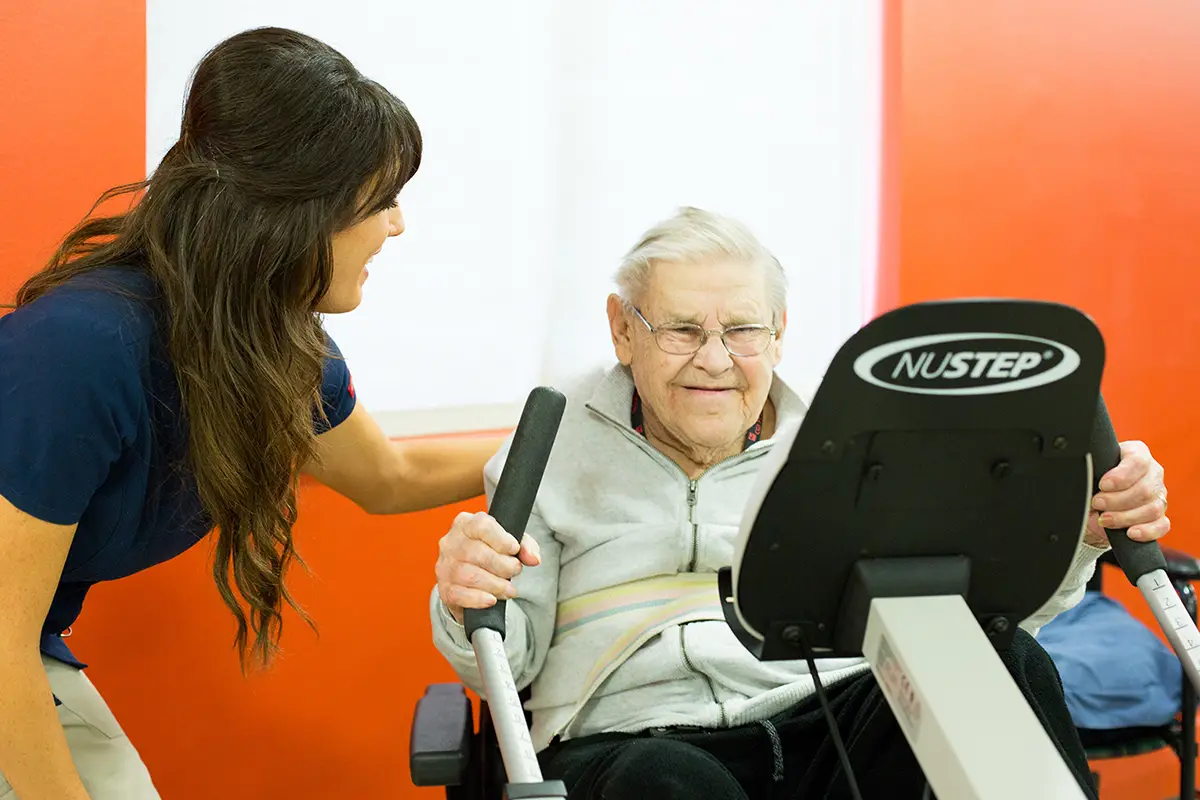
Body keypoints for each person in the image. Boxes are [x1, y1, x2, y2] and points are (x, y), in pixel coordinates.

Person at [431, 206, 1171, 799]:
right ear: (624, 331)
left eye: (742, 330)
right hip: (636, 740)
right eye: (682, 330)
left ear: (779, 334)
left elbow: (966, 620)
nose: (715, 360)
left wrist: (1086, 531)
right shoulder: (551, 444)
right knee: (667, 781)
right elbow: (504, 658)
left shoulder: (846, 442)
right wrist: (466, 597)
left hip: (831, 725)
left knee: (998, 661)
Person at [0, 27, 504, 800]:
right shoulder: (78, 352)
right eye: (381, 202)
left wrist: (566, 437)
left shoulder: (268, 349)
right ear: (292, 213)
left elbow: (389, 476)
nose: (397, 226)